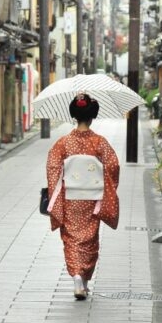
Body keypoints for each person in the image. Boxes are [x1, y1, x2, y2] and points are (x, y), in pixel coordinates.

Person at [46, 93, 120, 300]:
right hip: (92, 198)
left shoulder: (63, 143)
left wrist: (57, 189)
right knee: (89, 239)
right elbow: (113, 166)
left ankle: (77, 277)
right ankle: (84, 280)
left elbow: (52, 167)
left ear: (74, 115)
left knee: (71, 239)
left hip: (70, 197)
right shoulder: (99, 142)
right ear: (92, 116)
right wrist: (104, 183)